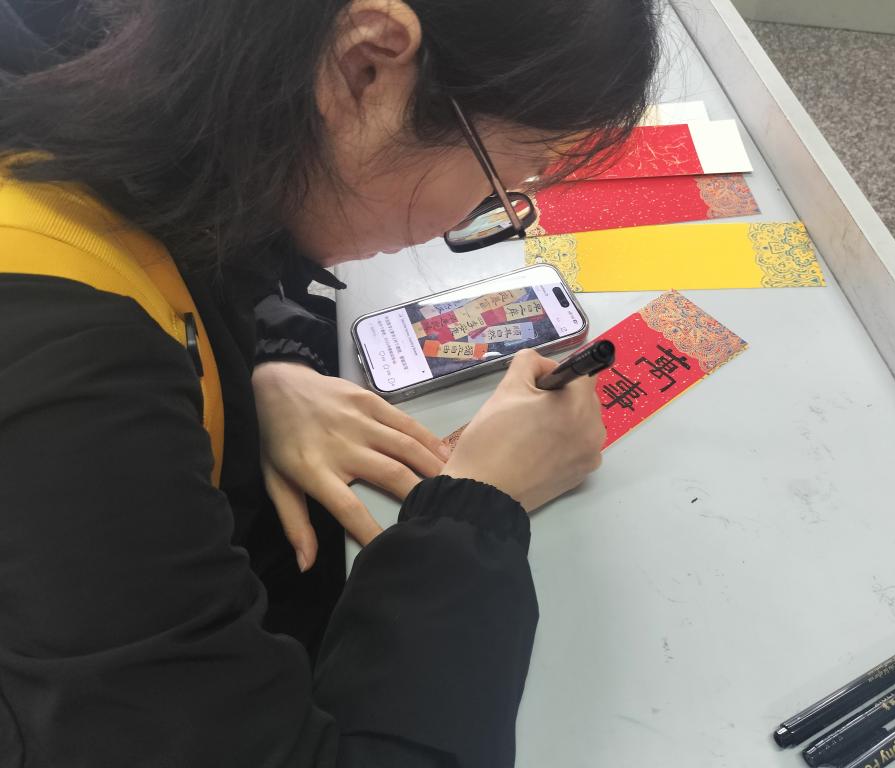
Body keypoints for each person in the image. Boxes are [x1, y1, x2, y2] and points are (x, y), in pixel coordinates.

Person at [0, 0, 659, 765]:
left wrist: (249, 382)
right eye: (498, 184)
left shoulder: (104, 102)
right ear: (363, 67)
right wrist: (479, 506)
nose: (481, 215)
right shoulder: (71, 384)